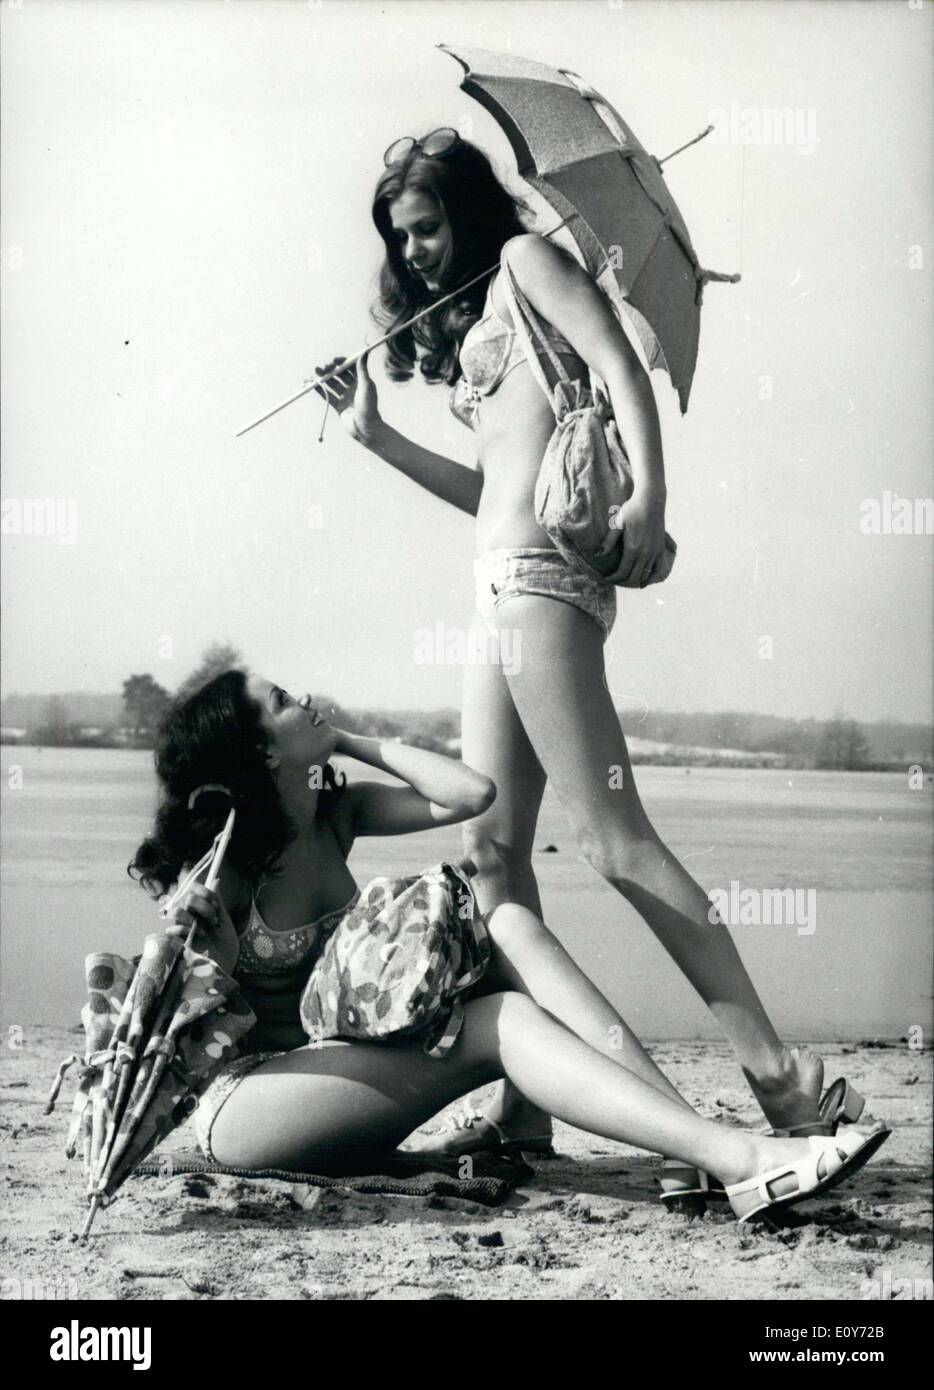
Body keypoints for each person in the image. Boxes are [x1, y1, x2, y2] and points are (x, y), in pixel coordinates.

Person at [310, 130, 859, 1168]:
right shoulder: (480, 315)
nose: (416, 250)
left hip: (544, 584)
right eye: (400, 236)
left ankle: (781, 1085)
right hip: (497, 585)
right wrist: (374, 436)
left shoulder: (527, 262)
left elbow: (619, 364)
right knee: (490, 856)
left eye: (426, 226)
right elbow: (489, 490)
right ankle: (531, 1108)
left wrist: (652, 496)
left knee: (611, 840)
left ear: (468, 210)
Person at [130, 669, 884, 1223]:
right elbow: (183, 1024)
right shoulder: (230, 871)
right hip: (252, 1108)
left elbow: (472, 796)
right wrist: (203, 942)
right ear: (260, 752)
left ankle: (685, 1142)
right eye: (281, 701)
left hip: (341, 1082)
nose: (301, 694)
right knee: (497, 1024)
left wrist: (349, 738)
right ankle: (737, 1159)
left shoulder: (337, 814)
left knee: (509, 922)